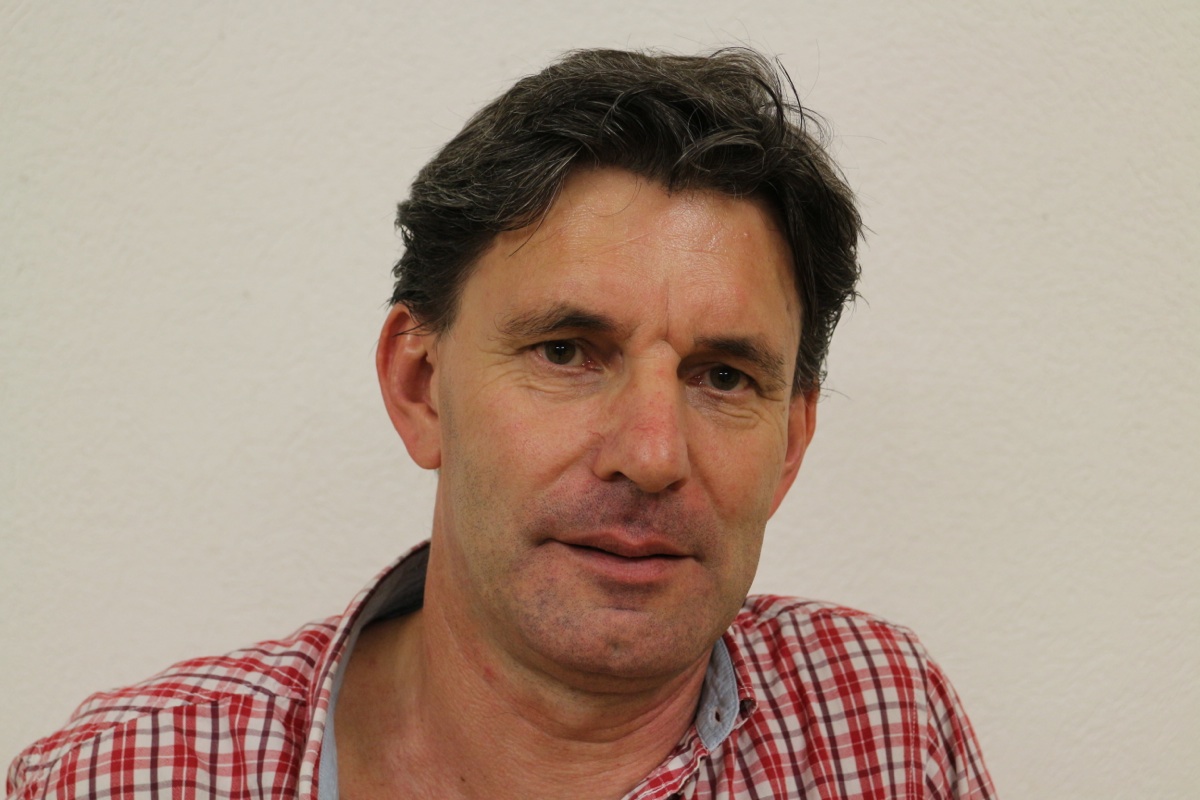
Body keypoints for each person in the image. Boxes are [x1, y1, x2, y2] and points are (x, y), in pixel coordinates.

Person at [7, 48, 995, 799]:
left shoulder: (882, 724)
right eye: (567, 351)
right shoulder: (120, 777)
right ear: (419, 385)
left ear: (790, 445)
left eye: (724, 376)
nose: (653, 454)